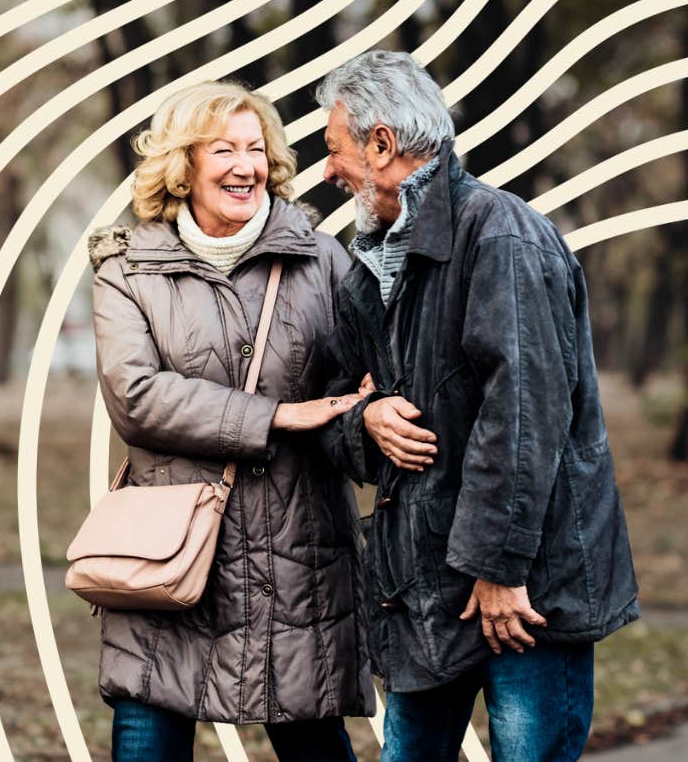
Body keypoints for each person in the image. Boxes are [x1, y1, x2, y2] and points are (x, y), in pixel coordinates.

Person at [315, 51, 640, 762]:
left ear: (381, 145)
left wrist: (499, 567)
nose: (329, 170)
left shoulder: (500, 236)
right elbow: (332, 404)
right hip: (424, 590)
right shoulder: (365, 268)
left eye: (334, 149)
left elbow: (524, 416)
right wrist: (362, 421)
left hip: (525, 592)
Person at [88, 80, 374, 762]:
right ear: (183, 164)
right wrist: (275, 415)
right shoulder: (126, 268)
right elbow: (136, 396)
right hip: (168, 564)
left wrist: (365, 409)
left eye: (257, 149)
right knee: (147, 740)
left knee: (315, 748)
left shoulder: (322, 261)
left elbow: (353, 389)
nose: (246, 166)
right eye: (224, 149)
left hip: (296, 562)